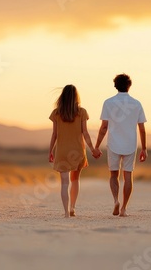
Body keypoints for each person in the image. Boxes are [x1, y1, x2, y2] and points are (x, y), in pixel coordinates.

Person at [95, 74, 147, 217]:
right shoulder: (137, 104)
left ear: (115, 85)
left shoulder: (108, 102)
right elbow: (141, 128)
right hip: (130, 144)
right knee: (128, 175)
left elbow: (104, 127)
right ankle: (124, 208)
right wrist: (144, 148)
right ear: (129, 86)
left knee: (114, 175)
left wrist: (96, 146)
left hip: (113, 144)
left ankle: (115, 201)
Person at [49, 85, 102, 218]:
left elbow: (54, 134)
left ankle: (66, 212)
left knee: (64, 182)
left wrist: (50, 151)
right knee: (75, 180)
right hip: (77, 151)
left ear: (63, 96)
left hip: (61, 151)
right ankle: (72, 207)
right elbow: (85, 133)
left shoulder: (56, 113)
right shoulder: (81, 112)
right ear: (76, 96)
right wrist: (92, 149)